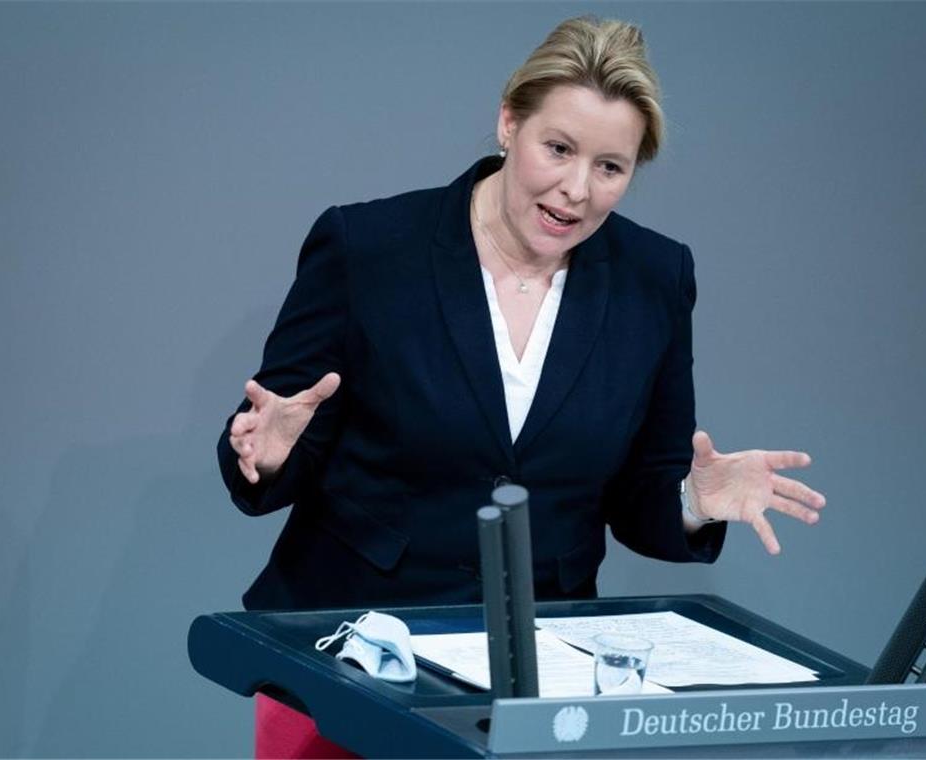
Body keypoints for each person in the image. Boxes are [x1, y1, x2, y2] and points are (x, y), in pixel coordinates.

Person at [217, 16, 826, 759]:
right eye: (559, 149)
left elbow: (640, 496)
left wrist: (695, 501)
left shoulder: (655, 279)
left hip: (535, 689)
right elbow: (276, 430)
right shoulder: (368, 248)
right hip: (351, 666)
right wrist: (269, 449)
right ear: (509, 123)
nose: (576, 190)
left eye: (611, 167)